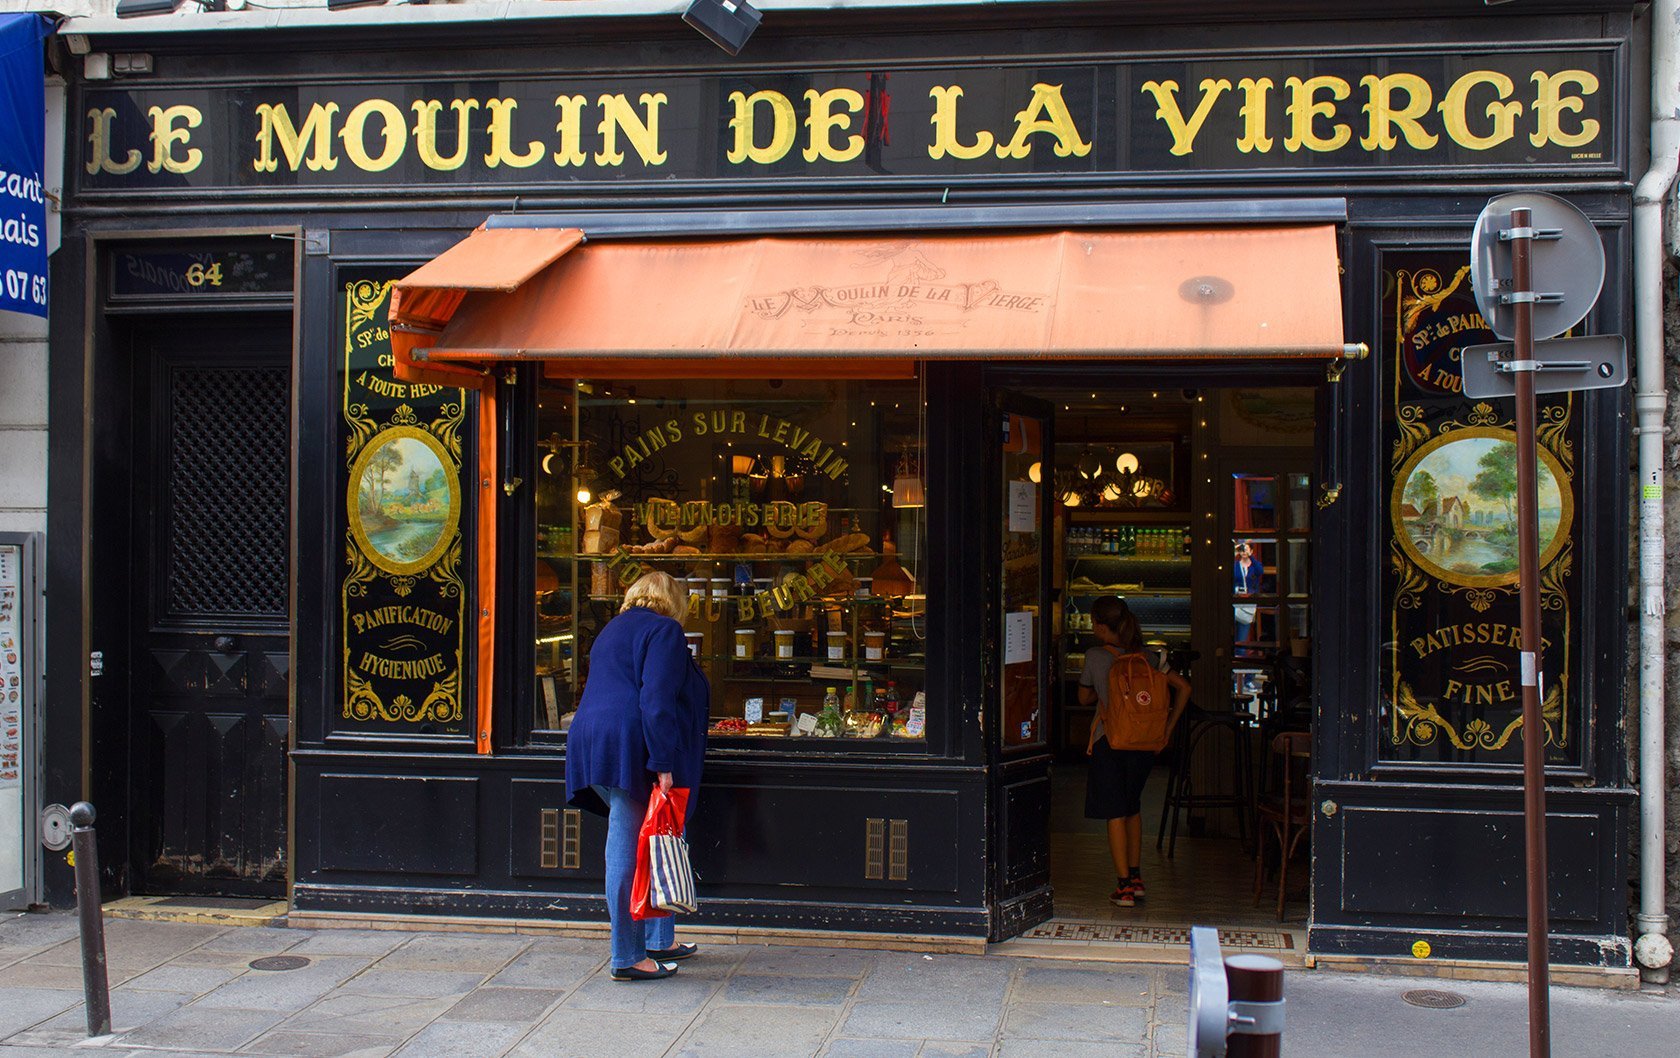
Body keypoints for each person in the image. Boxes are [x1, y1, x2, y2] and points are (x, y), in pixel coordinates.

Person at [566, 571, 709, 981]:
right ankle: (627, 956)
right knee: (628, 847)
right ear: (674, 602)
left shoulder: (614, 628)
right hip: (630, 746)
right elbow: (656, 698)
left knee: (655, 837)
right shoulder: (665, 630)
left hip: (594, 740)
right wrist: (663, 761)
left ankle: (660, 938)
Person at [1079, 596, 1191, 908]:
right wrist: (1166, 730)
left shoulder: (1095, 656)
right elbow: (1184, 688)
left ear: (1101, 627)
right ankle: (1137, 878)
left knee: (1114, 812)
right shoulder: (1148, 657)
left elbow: (1085, 698)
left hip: (1110, 740)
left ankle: (1123, 886)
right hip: (1144, 742)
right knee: (1132, 807)